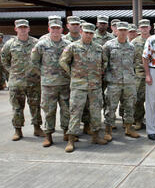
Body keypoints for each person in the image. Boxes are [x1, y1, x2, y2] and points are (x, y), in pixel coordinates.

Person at [59, 23, 108, 153]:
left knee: (96, 112)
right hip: (78, 86)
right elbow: (63, 61)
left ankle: (96, 136)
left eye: (91, 33)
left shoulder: (99, 48)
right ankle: (71, 139)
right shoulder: (73, 47)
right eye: (86, 32)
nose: (88, 35)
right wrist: (72, 74)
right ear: (81, 32)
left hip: (95, 86)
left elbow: (105, 62)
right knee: (75, 112)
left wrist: (99, 73)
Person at [1, 19, 45, 141]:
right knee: (17, 107)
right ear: (16, 29)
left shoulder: (36, 43)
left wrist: (38, 72)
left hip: (34, 81)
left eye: (25, 27)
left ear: (29, 29)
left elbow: (42, 59)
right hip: (16, 82)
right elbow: (4, 59)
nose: (23, 29)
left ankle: (37, 128)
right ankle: (18, 130)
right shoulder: (10, 44)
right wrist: (11, 71)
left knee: (35, 106)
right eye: (20, 27)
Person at [31, 19, 71, 147]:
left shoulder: (68, 44)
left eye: (57, 28)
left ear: (62, 30)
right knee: (49, 110)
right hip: (48, 85)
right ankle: (48, 135)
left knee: (66, 110)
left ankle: (66, 132)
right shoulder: (41, 45)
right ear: (49, 29)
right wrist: (44, 75)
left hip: (65, 83)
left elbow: (72, 62)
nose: (55, 31)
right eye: (52, 28)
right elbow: (34, 62)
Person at [103, 22, 140, 141]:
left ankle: (129, 128)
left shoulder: (131, 47)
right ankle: (108, 130)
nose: (123, 32)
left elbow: (134, 62)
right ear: (116, 31)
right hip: (114, 82)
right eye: (121, 30)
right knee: (110, 106)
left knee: (130, 106)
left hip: (129, 82)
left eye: (125, 30)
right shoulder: (108, 45)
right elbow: (104, 63)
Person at [131, 19, 151, 130]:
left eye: (146, 27)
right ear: (139, 29)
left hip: (153, 73)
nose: (144, 29)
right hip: (139, 74)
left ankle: (154, 121)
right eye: (142, 27)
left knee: (154, 99)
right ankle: (138, 120)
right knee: (138, 99)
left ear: (150, 28)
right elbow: (131, 59)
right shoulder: (134, 42)